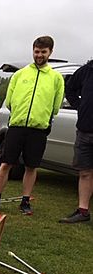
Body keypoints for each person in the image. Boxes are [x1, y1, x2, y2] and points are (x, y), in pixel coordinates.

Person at [0, 36, 65, 215]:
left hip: (38, 129)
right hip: (17, 126)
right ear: (33, 51)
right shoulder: (20, 74)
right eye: (36, 51)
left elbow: (56, 105)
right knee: (6, 163)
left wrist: (44, 118)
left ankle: (25, 201)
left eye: (43, 52)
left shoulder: (56, 78)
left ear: (50, 52)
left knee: (31, 166)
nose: (39, 55)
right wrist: (18, 116)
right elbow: (11, 100)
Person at [59, 60, 93, 223]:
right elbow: (70, 88)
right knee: (85, 172)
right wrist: (81, 106)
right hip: (85, 131)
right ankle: (83, 211)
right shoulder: (87, 70)